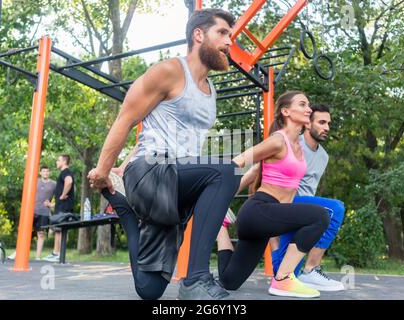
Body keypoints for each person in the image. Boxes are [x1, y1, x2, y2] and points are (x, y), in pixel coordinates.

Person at [88, 9, 241, 300]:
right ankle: (195, 279)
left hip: (176, 188)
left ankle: (124, 209)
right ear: (199, 35)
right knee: (227, 170)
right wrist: (103, 171)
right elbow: (126, 119)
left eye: (230, 36)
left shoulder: (211, 93)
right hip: (150, 172)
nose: (229, 42)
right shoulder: (170, 70)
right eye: (222, 33)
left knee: (149, 289)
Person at [216, 91, 330, 299]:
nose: (309, 109)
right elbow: (240, 160)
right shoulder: (278, 141)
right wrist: (217, 196)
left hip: (266, 219)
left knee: (229, 281)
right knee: (320, 216)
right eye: (303, 104)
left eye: (309, 105)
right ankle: (283, 279)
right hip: (259, 210)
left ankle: (220, 225)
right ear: (286, 111)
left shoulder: (299, 147)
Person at [270, 104, 345, 291]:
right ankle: (310, 270)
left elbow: (310, 190)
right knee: (336, 208)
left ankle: (303, 271)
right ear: (308, 124)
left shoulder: (323, 157)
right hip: (285, 205)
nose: (326, 127)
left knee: (286, 275)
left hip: (304, 212)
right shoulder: (292, 144)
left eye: (328, 123)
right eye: (321, 122)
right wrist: (272, 232)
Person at [8, 166, 56, 261]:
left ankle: (38, 257)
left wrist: (52, 204)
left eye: (47, 171)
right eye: (43, 171)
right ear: (40, 173)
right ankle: (17, 253)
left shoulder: (54, 184)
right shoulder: (35, 181)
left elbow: (62, 196)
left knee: (41, 234)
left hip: (44, 212)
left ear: (49, 173)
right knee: (24, 232)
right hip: (31, 211)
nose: (45, 173)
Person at [44, 154, 75, 263]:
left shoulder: (66, 172)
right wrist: (52, 205)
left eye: (58, 160)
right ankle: (56, 252)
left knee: (60, 229)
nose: (56, 162)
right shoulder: (63, 173)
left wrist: (62, 195)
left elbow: (69, 181)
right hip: (61, 205)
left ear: (64, 162)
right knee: (58, 229)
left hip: (64, 206)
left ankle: (58, 253)